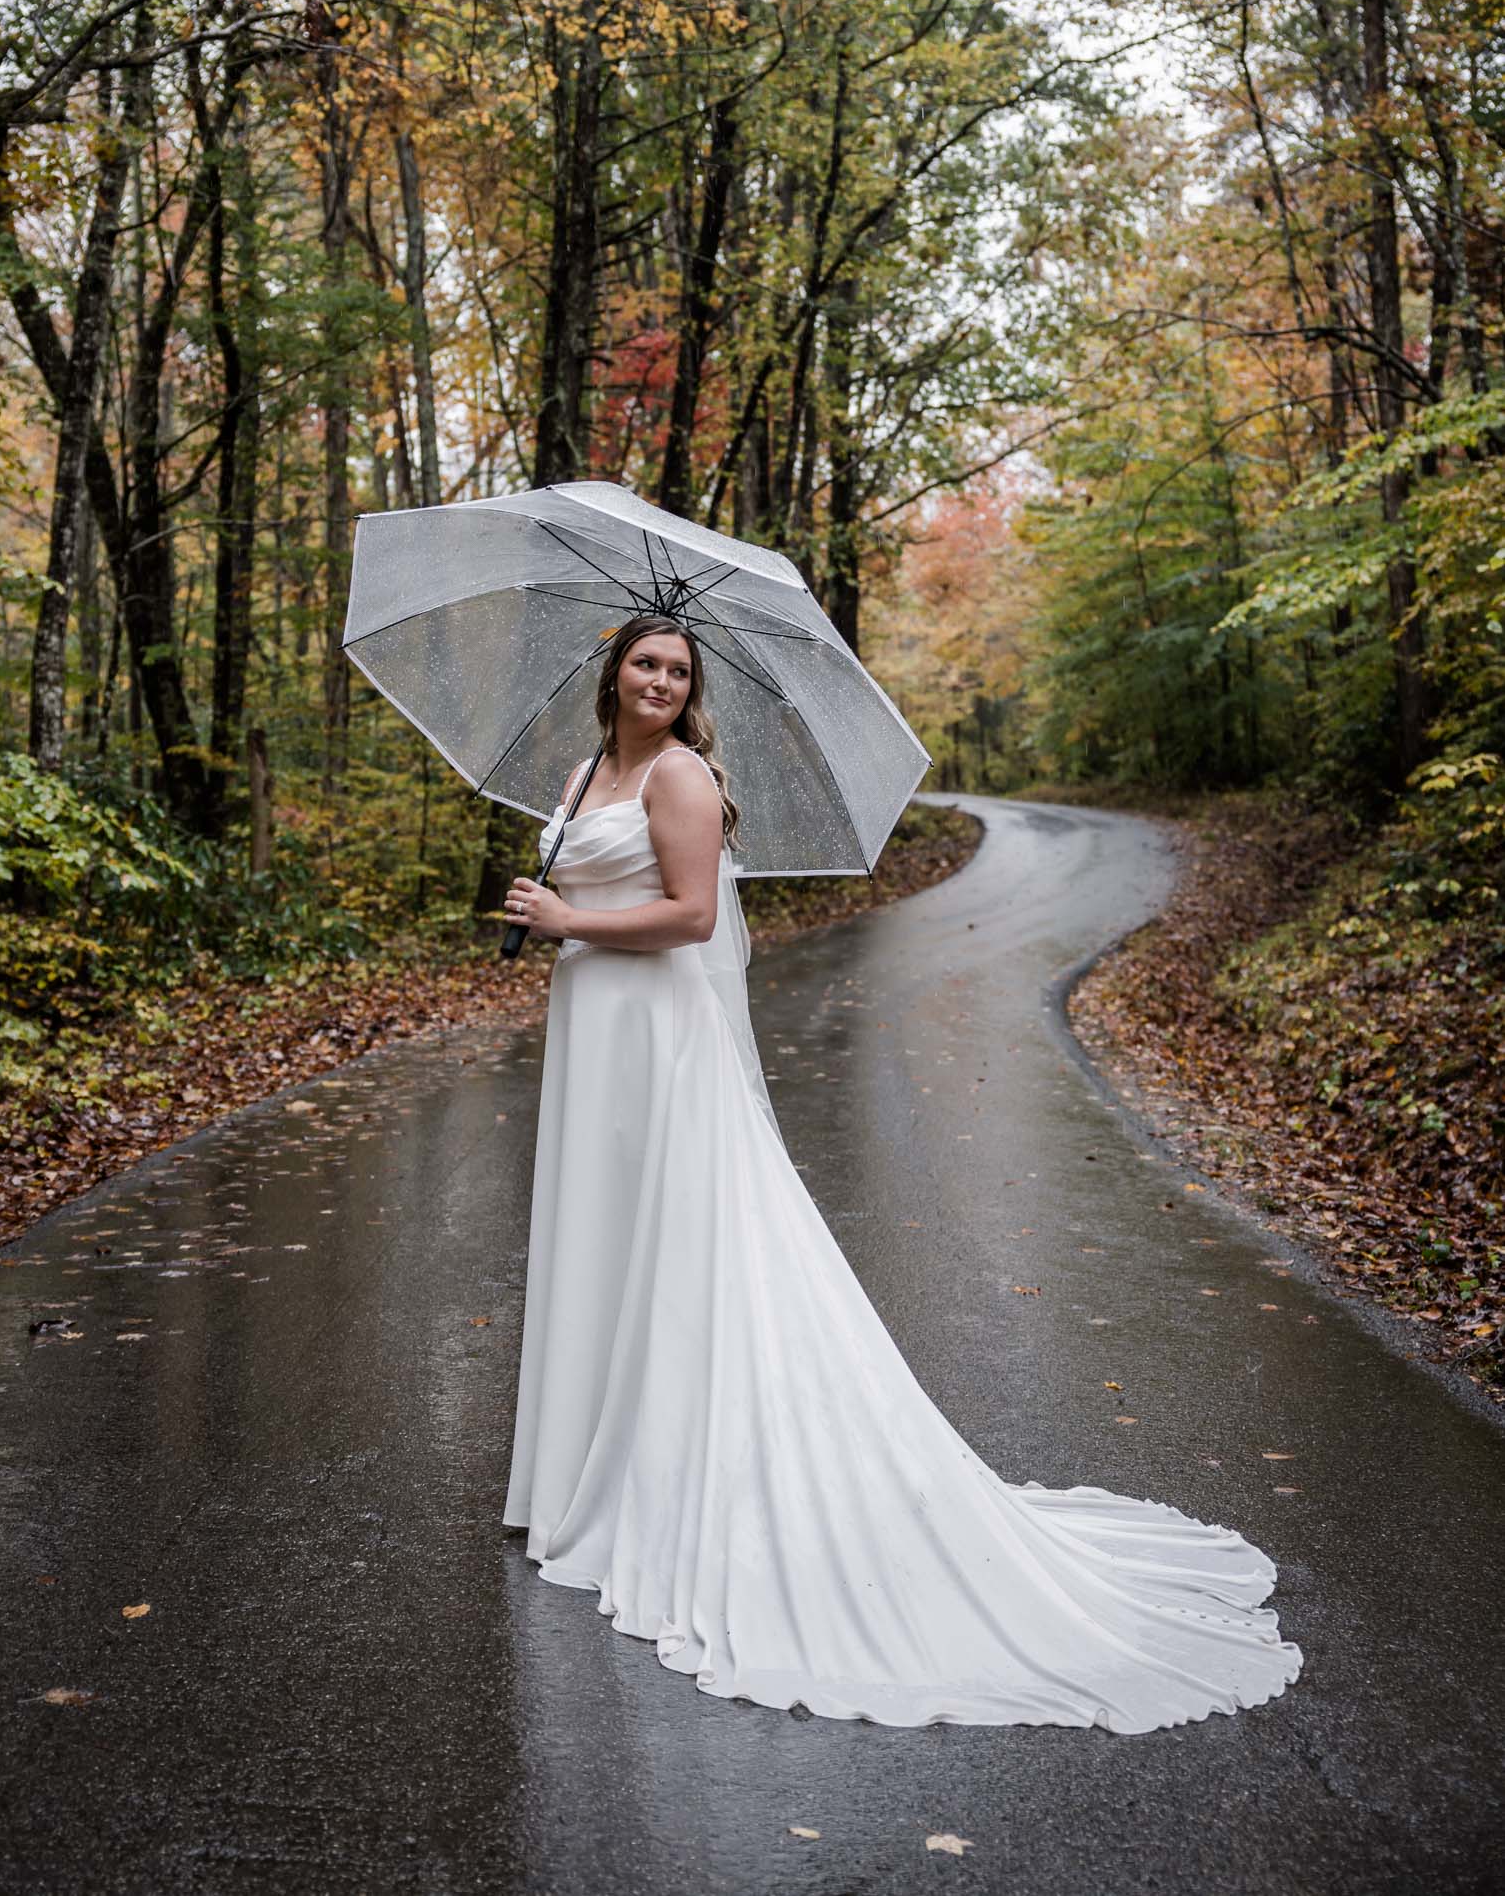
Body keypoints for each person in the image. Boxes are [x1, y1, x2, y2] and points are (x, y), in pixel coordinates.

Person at [500, 612, 1302, 1731]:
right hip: (595, 1023)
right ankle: (582, 1460)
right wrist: (557, 916)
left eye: (678, 671)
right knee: (600, 1231)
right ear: (612, 671)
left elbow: (688, 918)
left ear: (692, 691)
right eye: (644, 662)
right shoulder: (588, 767)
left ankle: (659, 1475)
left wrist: (563, 919)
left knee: (667, 1239)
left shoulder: (680, 777)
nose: (660, 681)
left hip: (650, 1030)